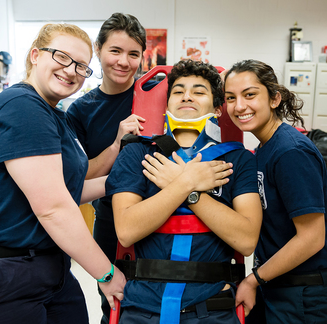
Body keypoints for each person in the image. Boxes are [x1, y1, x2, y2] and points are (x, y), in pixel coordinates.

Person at [0, 23, 126, 324]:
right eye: (62, 57)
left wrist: (126, 182)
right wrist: (105, 272)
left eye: (81, 66)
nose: (72, 70)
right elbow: (53, 208)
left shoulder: (54, 114)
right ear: (36, 55)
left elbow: (63, 190)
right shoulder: (23, 109)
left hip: (47, 267)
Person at [106, 59, 262, 323]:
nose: (187, 96)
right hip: (143, 306)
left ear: (217, 108)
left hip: (211, 306)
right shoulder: (136, 153)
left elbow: (246, 241)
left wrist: (184, 187)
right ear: (167, 104)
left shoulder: (239, 160)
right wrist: (187, 182)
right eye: (178, 91)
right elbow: (126, 230)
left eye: (199, 91)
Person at [223, 59, 327, 323]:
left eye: (250, 95)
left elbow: (312, 238)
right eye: (230, 97)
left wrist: (253, 280)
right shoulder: (264, 147)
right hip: (274, 282)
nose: (239, 106)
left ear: (274, 99)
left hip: (303, 295)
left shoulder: (290, 152)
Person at [65, 12, 159, 322]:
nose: (123, 61)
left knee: (159, 299)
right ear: (99, 50)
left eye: (133, 54)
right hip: (109, 219)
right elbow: (80, 175)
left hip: (160, 214)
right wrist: (117, 144)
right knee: (115, 301)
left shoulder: (160, 94)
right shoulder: (80, 109)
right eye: (115, 51)